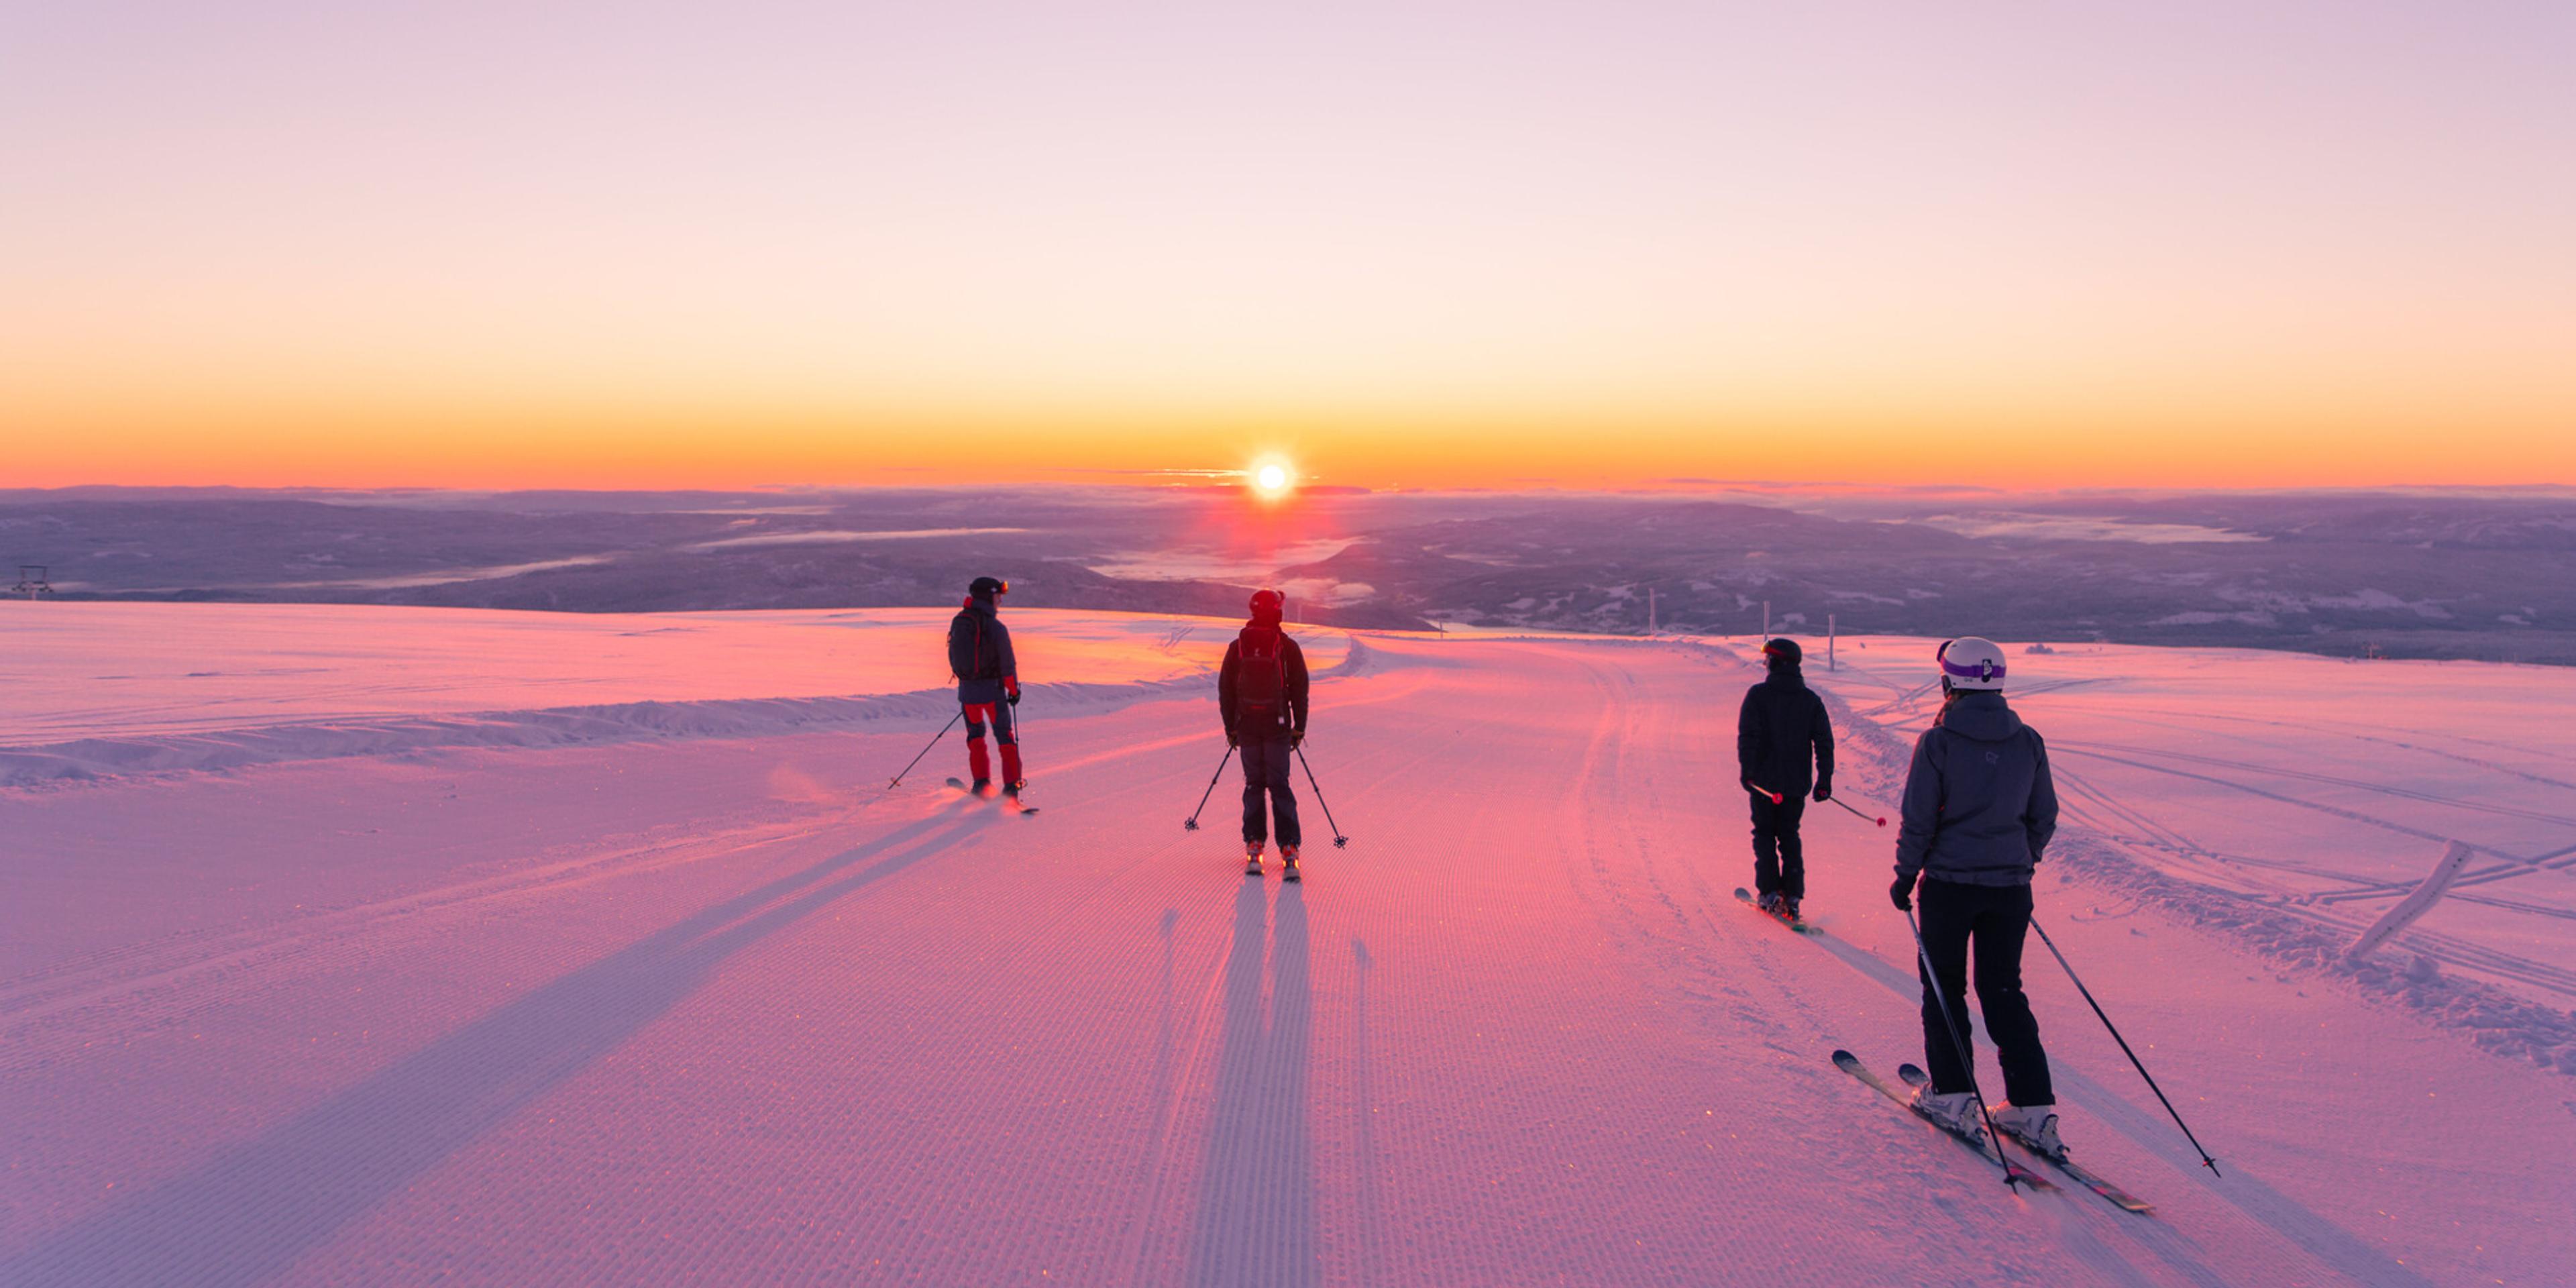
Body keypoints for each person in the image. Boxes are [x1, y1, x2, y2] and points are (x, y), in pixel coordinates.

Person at [1889, 636, 2063, 1157]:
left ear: (1949, 682)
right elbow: (2044, 815)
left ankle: (1954, 1096)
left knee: (1944, 990)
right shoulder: (2028, 740)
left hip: (1948, 886)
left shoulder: (1938, 742)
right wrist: (2019, 859)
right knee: (2003, 991)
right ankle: (2033, 1109)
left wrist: (1904, 877)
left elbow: (1918, 820)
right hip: (2011, 889)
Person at [1737, 637, 1834, 921]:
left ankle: (1769, 893)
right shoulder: (1811, 701)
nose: (1765, 665)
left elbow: (1748, 738)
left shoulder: (1757, 695)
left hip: (1764, 785)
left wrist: (1748, 771)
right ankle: (1792, 896)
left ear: (1776, 662)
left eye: (1768, 660)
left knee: (1765, 834)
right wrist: (1824, 780)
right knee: (1789, 836)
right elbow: (1824, 743)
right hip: (1795, 784)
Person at [1218, 588, 1310, 879]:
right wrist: (1299, 727)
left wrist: (1230, 727)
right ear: (1279, 612)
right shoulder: (1288, 647)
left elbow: (1225, 690)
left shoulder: (1238, 646)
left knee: (1254, 784)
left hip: (1246, 725)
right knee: (1280, 785)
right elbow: (1300, 691)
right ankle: (1289, 850)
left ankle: (1255, 846)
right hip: (1278, 725)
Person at [947, 576, 1023, 798]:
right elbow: (1008, 666)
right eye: (999, 596)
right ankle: (1011, 789)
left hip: (967, 694)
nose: (1001, 600)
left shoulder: (960, 621)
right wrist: (1014, 692)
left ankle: (981, 785)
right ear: (990, 597)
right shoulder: (996, 627)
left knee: (975, 738)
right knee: (1005, 739)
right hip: (992, 694)